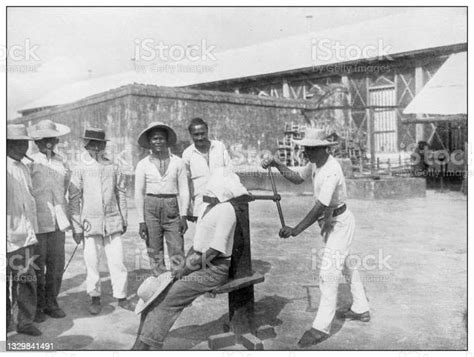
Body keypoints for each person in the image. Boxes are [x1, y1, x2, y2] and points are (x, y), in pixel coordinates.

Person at [261, 128, 370, 347]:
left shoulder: (332, 170)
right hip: (330, 221)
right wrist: (276, 164)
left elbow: (320, 205)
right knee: (346, 264)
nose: (305, 153)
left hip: (339, 222)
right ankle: (361, 308)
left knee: (328, 273)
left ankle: (321, 327)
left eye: (310, 149)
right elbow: (296, 178)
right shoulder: (315, 162)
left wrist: (295, 230)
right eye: (305, 148)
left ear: (323, 149)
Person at [132, 168, 248, 350]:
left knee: (169, 297)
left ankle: (145, 347)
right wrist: (183, 265)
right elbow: (198, 244)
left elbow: (214, 251)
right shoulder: (206, 207)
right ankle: (140, 343)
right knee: (155, 293)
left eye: (211, 189)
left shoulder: (227, 209)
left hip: (215, 268)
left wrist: (186, 269)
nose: (207, 192)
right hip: (199, 263)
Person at [69, 128, 131, 315]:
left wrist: (124, 218)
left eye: (100, 144)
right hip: (90, 223)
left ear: (104, 145)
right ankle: (95, 297)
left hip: (112, 221)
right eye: (92, 144)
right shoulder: (79, 167)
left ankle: (121, 297)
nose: (96, 148)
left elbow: (121, 193)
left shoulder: (113, 165)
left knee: (117, 261)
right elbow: (74, 199)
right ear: (86, 145)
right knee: (92, 262)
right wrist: (77, 226)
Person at [27, 120, 71, 322]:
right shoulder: (29, 162)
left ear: (57, 140)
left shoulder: (62, 162)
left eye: (52, 138)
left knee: (56, 265)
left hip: (58, 223)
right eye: (44, 139)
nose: (48, 142)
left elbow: (66, 189)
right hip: (37, 222)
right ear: (37, 141)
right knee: (36, 267)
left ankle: (51, 303)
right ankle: (36, 306)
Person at [135, 122, 189, 276]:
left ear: (166, 140)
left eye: (160, 138)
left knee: (177, 248)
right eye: (154, 139)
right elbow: (138, 193)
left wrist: (183, 215)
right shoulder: (143, 164)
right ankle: (160, 284)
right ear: (149, 142)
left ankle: (178, 285)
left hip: (171, 206)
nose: (158, 142)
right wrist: (141, 221)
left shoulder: (178, 162)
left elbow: (184, 189)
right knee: (154, 249)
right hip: (150, 207)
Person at [7, 124, 41, 336]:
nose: (23, 147)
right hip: (6, 236)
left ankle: (25, 321)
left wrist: (33, 232)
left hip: (26, 236)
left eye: (25, 143)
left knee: (27, 281)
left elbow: (30, 202)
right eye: (18, 143)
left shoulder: (24, 168)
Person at [182, 117, 231, 221]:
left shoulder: (219, 147)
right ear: (191, 135)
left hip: (222, 203)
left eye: (202, 133)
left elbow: (230, 173)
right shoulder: (187, 154)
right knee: (202, 237)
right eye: (196, 135)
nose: (200, 137)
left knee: (223, 236)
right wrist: (188, 206)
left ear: (207, 131)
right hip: (200, 206)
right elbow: (185, 183)